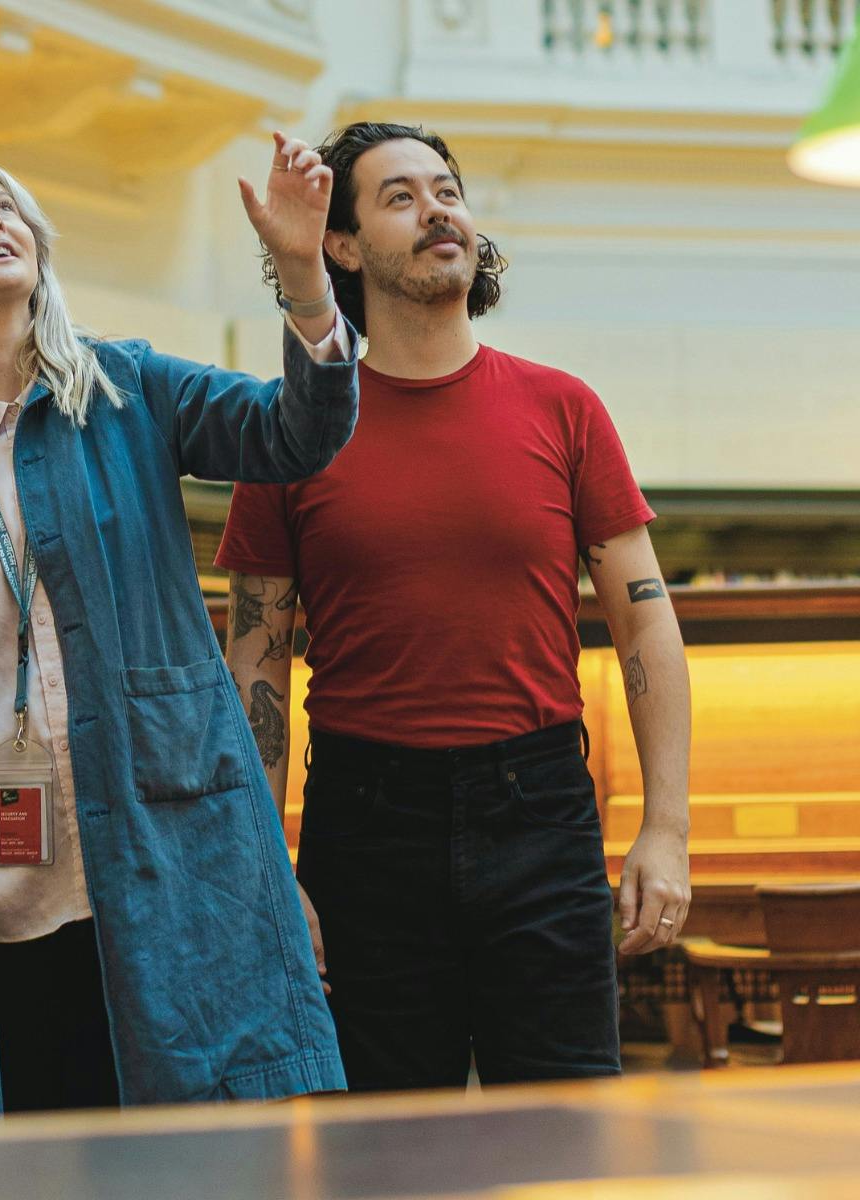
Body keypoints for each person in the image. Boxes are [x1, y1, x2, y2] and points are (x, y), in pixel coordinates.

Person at [0, 134, 361, 1114]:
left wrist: (300, 276)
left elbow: (299, 433)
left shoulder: (127, 389)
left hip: (165, 853)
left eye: (6, 206)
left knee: (190, 1148)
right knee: (37, 1143)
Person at [219, 121, 692, 1091]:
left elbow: (644, 618)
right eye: (400, 195)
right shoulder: (288, 432)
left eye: (447, 189)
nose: (438, 207)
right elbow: (256, 659)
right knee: (386, 1155)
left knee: (566, 1136)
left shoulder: (563, 407)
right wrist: (262, 862)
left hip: (541, 810)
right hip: (363, 823)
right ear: (342, 247)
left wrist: (666, 828)